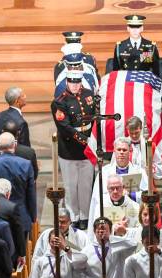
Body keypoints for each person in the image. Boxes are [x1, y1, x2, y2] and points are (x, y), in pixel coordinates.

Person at [50, 70, 95, 230]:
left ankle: (85, 215)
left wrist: (92, 139)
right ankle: (73, 216)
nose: (75, 85)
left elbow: (95, 117)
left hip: (87, 149)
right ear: (67, 82)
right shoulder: (59, 101)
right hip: (69, 150)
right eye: (72, 82)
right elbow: (64, 126)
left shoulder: (89, 95)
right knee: (71, 186)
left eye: (77, 82)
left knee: (85, 185)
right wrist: (83, 138)